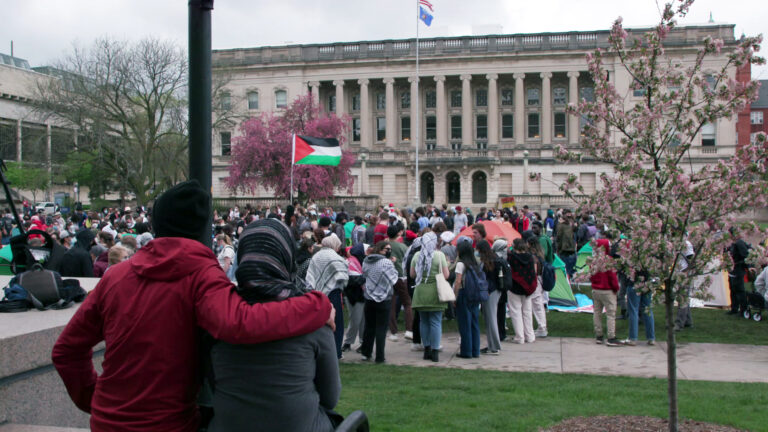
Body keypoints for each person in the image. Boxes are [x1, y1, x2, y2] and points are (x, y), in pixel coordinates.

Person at [52, 180, 333, 432]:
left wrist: (95, 398)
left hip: (106, 422)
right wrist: (317, 305)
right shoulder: (202, 276)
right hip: (170, 423)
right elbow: (238, 323)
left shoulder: (116, 276)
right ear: (202, 229)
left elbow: (67, 350)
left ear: (155, 224)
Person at [208, 219, 341, 432]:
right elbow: (330, 396)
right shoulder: (314, 320)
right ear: (286, 256)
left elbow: (213, 382)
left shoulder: (219, 318)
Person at [306, 233, 349, 359]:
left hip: (317, 293)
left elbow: (311, 276)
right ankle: (336, 352)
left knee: (321, 323)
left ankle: (321, 351)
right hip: (333, 293)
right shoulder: (334, 257)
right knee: (337, 323)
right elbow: (343, 274)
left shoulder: (316, 256)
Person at [410, 232, 449, 362]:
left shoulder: (416, 255)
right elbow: (446, 274)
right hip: (435, 291)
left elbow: (412, 274)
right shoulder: (439, 255)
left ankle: (426, 348)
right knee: (435, 321)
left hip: (420, 291)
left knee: (423, 321)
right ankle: (435, 350)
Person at [361, 241, 399, 363]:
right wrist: (393, 264)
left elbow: (365, 274)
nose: (388, 251)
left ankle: (366, 353)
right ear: (380, 249)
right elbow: (393, 278)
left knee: (369, 326)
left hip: (369, 296)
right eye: (387, 249)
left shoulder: (367, 260)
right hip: (384, 298)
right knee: (381, 328)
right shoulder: (386, 262)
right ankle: (379, 356)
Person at [591, 237, 622, 347]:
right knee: (610, 314)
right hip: (607, 290)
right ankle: (611, 337)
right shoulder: (609, 260)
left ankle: (599, 335)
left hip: (596, 290)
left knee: (597, 313)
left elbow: (591, 275)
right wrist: (616, 288)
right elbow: (612, 277)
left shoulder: (593, 260)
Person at [507, 238, 537, 344]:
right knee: (527, 312)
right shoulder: (530, 257)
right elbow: (533, 272)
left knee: (516, 313)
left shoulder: (511, 258)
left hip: (514, 288)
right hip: (528, 288)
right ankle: (530, 336)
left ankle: (520, 337)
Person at [387, 224, 413, 341]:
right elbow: (408, 261)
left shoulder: (384, 245)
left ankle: (393, 333)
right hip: (401, 277)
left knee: (391, 304)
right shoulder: (403, 247)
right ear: (398, 233)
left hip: (388, 277)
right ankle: (409, 330)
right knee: (407, 303)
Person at [477, 240, 502, 355]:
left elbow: (490, 279)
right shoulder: (493, 258)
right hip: (493, 291)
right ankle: (492, 344)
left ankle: (495, 345)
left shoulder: (489, 261)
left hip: (490, 292)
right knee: (489, 318)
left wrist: (487, 291)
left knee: (490, 318)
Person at [342, 243, 368, 352]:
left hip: (360, 295)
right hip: (353, 295)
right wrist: (363, 278)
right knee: (355, 320)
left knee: (362, 320)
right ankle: (348, 342)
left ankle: (363, 342)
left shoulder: (362, 261)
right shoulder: (350, 262)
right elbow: (351, 280)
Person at [524, 231, 549, 339]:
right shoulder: (540, 254)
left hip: (535, 281)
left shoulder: (532, 256)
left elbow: (533, 271)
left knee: (535, 305)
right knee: (538, 305)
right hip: (540, 280)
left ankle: (541, 328)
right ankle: (542, 327)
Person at [727, 227, 750, 316]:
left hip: (738, 269)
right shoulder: (732, 244)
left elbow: (745, 255)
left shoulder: (739, 243)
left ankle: (743, 309)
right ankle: (734, 308)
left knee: (739, 290)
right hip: (732, 269)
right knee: (732, 289)